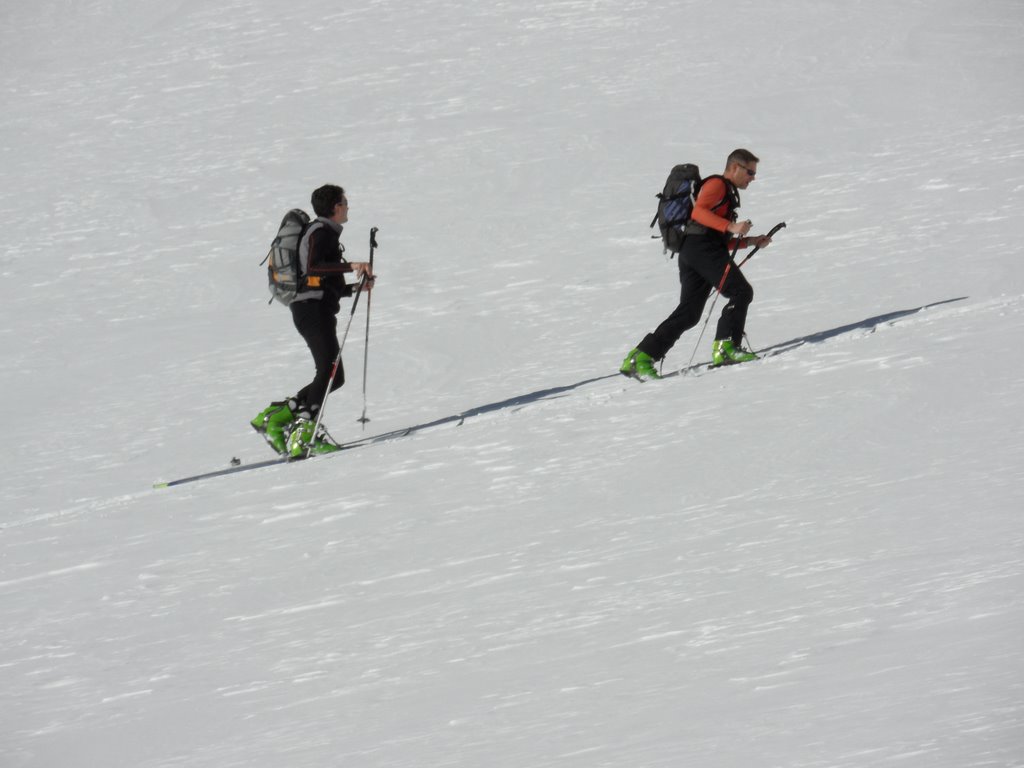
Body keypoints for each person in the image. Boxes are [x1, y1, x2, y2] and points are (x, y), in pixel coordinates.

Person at [620, 149, 773, 380]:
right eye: (750, 172)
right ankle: (726, 348)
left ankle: (640, 356)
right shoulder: (717, 184)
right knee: (741, 291)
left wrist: (750, 241)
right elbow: (699, 213)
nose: (753, 177)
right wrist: (732, 227)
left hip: (695, 251)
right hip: (701, 250)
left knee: (690, 313)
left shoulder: (725, 191)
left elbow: (712, 234)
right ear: (735, 167)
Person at [251, 184, 374, 456]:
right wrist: (351, 265)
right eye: (345, 201)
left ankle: (278, 417)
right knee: (329, 372)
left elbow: (323, 282)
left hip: (314, 309)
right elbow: (313, 268)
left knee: (334, 375)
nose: (348, 206)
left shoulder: (325, 233)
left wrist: (354, 288)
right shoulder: (320, 231)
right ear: (335, 206)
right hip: (311, 310)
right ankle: (303, 435)